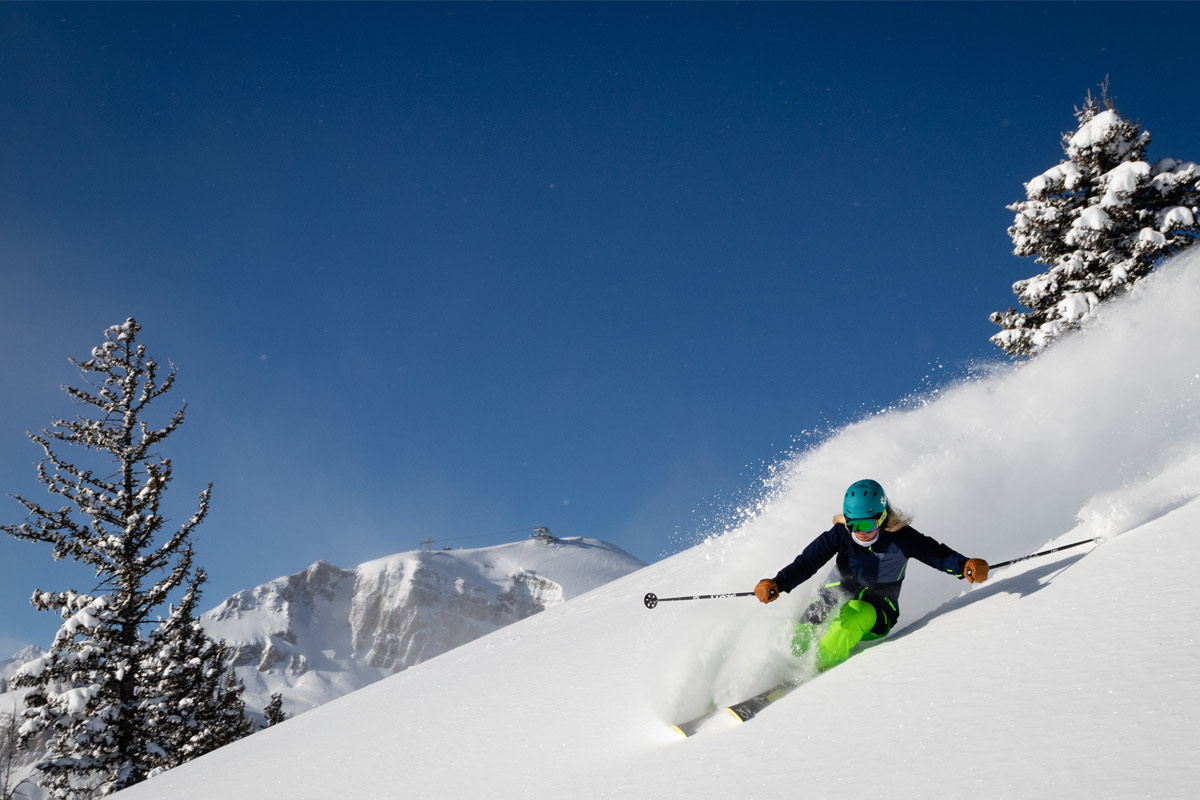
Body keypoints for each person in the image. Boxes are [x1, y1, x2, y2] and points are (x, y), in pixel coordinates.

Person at [754, 478, 989, 671]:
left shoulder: (902, 538)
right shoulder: (840, 534)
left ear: (882, 518)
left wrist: (964, 566)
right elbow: (807, 562)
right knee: (811, 618)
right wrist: (778, 583)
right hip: (833, 596)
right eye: (854, 525)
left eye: (867, 525)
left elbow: (937, 554)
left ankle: (819, 670)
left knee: (852, 615)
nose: (861, 532)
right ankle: (789, 666)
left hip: (878, 612)